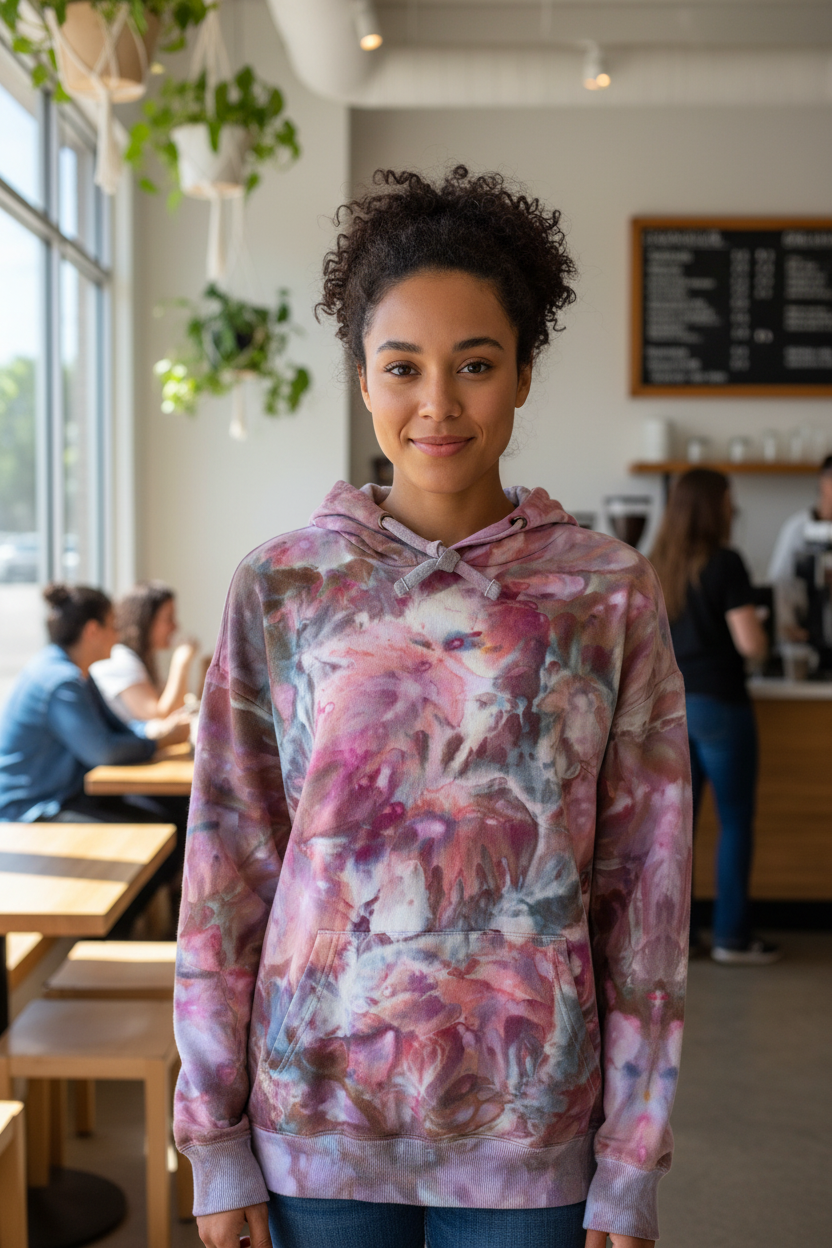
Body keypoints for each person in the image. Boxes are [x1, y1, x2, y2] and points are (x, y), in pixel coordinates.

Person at [174, 167, 692, 1248]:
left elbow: (645, 889)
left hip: (533, 1126)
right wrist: (211, 1139)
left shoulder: (604, 593)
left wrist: (633, 1154)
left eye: (475, 365)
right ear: (363, 381)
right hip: (316, 1115)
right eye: (402, 367)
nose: (438, 404)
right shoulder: (283, 585)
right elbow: (228, 868)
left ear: (523, 375)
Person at [650, 468, 778, 966]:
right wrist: (764, 638)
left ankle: (677, 942)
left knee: (680, 829)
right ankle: (731, 938)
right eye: (729, 500)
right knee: (736, 821)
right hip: (721, 707)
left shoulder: (656, 563)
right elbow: (749, 643)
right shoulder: (725, 564)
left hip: (671, 708)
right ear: (716, 506)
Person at [0, 583, 188, 824]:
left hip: (65, 797)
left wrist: (156, 731)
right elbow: (103, 751)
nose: (118, 636)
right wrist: (159, 741)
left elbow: (115, 728)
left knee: (173, 814)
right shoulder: (60, 681)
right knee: (165, 828)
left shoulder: (76, 674)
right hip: (32, 809)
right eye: (113, 626)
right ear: (92, 631)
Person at [91, 580, 199, 729]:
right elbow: (161, 716)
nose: (175, 626)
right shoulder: (120, 659)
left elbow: (179, 708)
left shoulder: (141, 658)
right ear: (146, 621)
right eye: (169, 618)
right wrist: (181, 663)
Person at [766, 455, 832, 640]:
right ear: (823, 480)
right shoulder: (798, 527)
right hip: (805, 629)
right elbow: (779, 582)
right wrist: (785, 626)